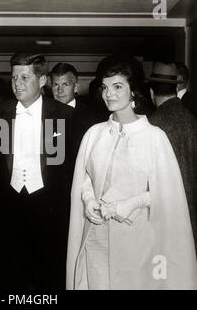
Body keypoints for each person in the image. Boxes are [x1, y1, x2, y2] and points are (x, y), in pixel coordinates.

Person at [66, 55, 197, 290]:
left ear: (133, 91)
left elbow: (168, 193)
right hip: (95, 239)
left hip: (136, 243)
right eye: (105, 88)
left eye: (118, 87)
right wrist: (87, 199)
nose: (109, 94)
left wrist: (133, 203)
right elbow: (85, 177)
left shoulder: (154, 137)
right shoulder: (94, 134)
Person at [0, 53, 77, 289]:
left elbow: (71, 168)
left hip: (51, 208)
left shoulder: (65, 115)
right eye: (14, 77)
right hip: (10, 206)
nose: (17, 84)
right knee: (11, 274)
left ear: (42, 81)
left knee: (49, 275)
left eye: (24, 77)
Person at [148, 61, 197, 250]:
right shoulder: (191, 118)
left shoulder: (154, 124)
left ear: (152, 92)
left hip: (169, 218)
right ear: (176, 88)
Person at [50, 62, 96, 137]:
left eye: (65, 84)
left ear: (76, 87)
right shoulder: (44, 113)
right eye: (56, 85)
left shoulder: (90, 117)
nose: (60, 90)